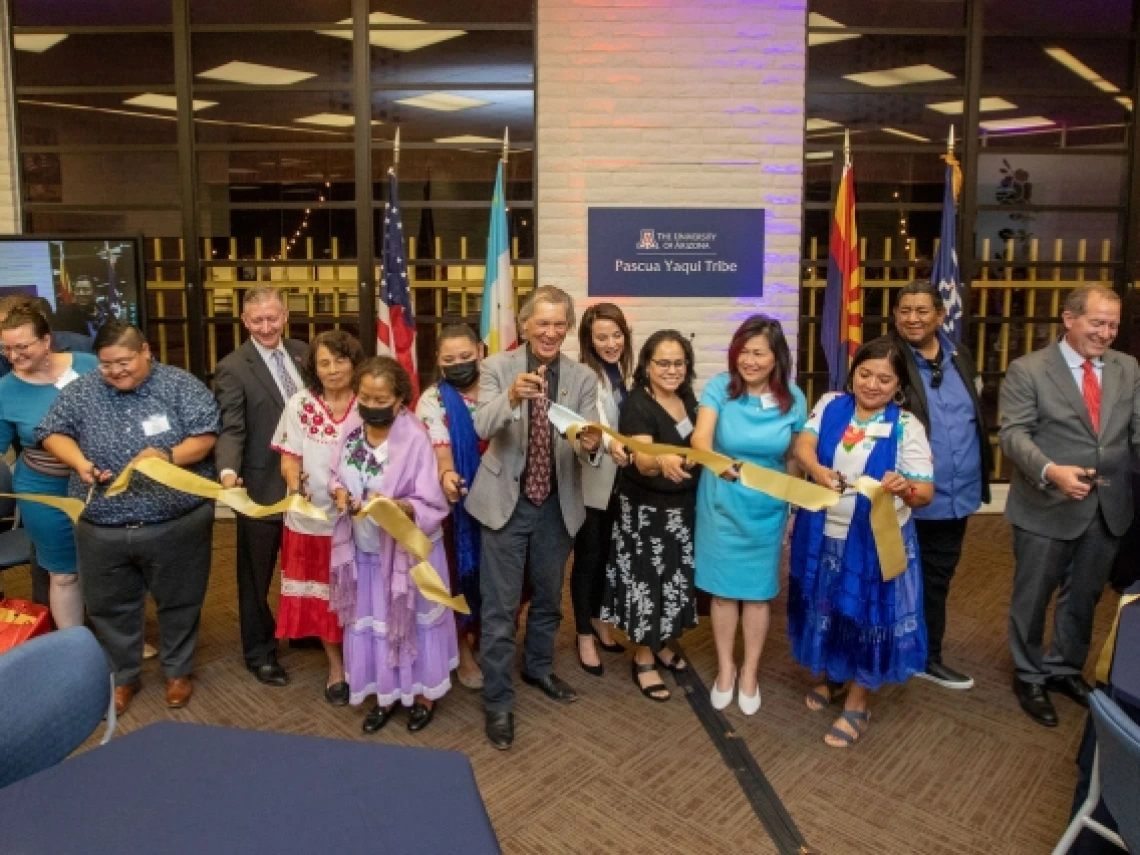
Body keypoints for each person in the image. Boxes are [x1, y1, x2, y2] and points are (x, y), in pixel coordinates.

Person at [37, 321, 219, 714]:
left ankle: (177, 671)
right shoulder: (83, 390)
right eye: (106, 365)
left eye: (123, 362)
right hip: (102, 526)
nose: (115, 371)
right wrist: (79, 462)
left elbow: (205, 438)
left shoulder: (179, 386)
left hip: (174, 523)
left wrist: (165, 457)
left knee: (180, 601)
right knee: (110, 606)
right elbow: (51, 432)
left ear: (145, 352)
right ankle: (124, 676)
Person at [466, 285, 603, 751]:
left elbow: (590, 436)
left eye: (558, 324)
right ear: (524, 326)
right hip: (505, 503)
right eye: (541, 323)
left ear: (567, 327)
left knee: (548, 599)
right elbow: (481, 426)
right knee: (500, 609)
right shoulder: (495, 368)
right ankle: (498, 701)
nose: (550, 332)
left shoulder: (582, 377)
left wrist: (591, 443)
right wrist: (509, 398)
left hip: (557, 504)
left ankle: (539, 668)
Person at [999, 284, 1140, 727]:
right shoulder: (1029, 370)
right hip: (1047, 502)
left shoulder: (1128, 367)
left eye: (1113, 324)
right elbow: (1013, 435)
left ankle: (1063, 668)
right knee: (1033, 594)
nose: (1106, 333)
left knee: (1084, 595)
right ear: (1069, 318)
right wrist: (1050, 471)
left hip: (1107, 504)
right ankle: (1029, 673)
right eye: (1097, 322)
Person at [789, 336, 934, 747]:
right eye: (865, 374)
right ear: (852, 375)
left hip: (872, 540)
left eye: (884, 379)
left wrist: (904, 487)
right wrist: (815, 467)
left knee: (866, 614)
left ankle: (858, 698)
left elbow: (925, 493)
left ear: (898, 385)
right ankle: (833, 677)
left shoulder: (907, 426)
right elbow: (805, 443)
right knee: (828, 603)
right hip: (824, 531)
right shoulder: (832, 403)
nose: (872, 384)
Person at [331, 357, 459, 734]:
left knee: (411, 624)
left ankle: (423, 696)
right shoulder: (352, 431)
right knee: (378, 624)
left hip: (407, 553)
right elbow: (337, 474)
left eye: (380, 398)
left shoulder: (416, 437)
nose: (371, 404)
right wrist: (340, 493)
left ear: (400, 399)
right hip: (365, 549)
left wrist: (396, 506)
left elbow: (432, 502)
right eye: (365, 396)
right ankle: (386, 695)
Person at [691, 316, 807, 715]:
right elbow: (700, 438)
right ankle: (726, 669)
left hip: (768, 503)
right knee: (723, 592)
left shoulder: (793, 397)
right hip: (722, 498)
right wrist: (716, 461)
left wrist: (792, 506)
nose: (749, 360)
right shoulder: (719, 388)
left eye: (759, 352)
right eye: (743, 350)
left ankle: (750, 673)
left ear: (776, 358)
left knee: (758, 595)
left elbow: (793, 456)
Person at [891, 280, 992, 691]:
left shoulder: (959, 355)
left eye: (921, 311)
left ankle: (928, 656)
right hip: (905, 495)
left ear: (939, 315)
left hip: (957, 495)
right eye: (905, 311)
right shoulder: (887, 358)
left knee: (937, 578)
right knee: (890, 576)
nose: (912, 319)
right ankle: (882, 652)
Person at [214, 287, 308, 687]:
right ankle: (260, 652)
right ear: (244, 321)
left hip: (310, 483)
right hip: (261, 486)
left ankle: (304, 630)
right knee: (256, 575)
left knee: (306, 561)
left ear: (285, 315)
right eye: (257, 321)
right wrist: (228, 474)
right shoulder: (233, 367)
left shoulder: (305, 353)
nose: (266, 327)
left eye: (273, 318)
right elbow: (231, 428)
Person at [601, 330, 700, 702]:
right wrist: (661, 461)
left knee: (673, 583)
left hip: (681, 511)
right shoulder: (637, 405)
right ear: (647, 364)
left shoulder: (689, 399)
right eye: (663, 362)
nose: (671, 370)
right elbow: (641, 459)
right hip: (645, 514)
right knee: (646, 586)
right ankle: (643, 658)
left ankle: (659, 643)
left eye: (679, 363)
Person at [270, 330, 364, 706]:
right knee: (324, 597)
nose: (333, 369)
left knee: (360, 595)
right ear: (314, 368)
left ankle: (363, 663)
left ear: (355, 363)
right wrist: (294, 483)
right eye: (324, 362)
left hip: (361, 521)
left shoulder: (369, 401)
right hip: (314, 521)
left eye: (341, 360)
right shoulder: (299, 404)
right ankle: (336, 668)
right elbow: (289, 456)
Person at [0, 306, 98, 628]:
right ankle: (76, 647)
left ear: (46, 340)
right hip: (43, 490)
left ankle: (124, 641)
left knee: (111, 567)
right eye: (6, 348)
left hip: (100, 485)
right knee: (64, 574)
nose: (14, 355)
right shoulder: (5, 390)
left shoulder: (89, 367)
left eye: (22, 347)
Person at [414, 324, 486, 690]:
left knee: (507, 580)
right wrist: (448, 476)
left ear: (480, 352)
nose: (459, 364)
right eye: (449, 360)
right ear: (439, 364)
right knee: (458, 576)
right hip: (455, 505)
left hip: (503, 502)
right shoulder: (433, 400)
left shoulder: (498, 389)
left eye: (465, 357)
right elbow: (441, 452)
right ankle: (462, 648)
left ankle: (488, 638)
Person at [572, 303, 632, 676]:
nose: (611, 343)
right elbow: (597, 424)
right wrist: (613, 447)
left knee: (607, 558)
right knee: (588, 559)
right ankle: (582, 634)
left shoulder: (624, 372)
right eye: (602, 337)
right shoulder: (583, 376)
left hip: (621, 484)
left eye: (616, 335)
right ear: (588, 341)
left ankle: (598, 618)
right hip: (592, 483)